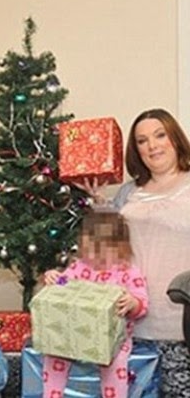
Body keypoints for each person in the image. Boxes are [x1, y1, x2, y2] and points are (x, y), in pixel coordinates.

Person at [75, 108, 190, 396]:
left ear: (175, 139)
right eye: (142, 140)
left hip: (182, 327)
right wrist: (99, 203)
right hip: (131, 325)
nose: (152, 146)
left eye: (160, 135)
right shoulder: (129, 192)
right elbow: (110, 244)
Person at [41, 210, 148, 398]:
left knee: (115, 362)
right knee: (53, 355)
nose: (92, 256)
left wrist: (132, 303)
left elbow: (142, 305)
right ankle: (51, 395)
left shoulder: (128, 272)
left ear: (119, 247)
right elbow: (63, 285)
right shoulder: (79, 267)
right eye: (87, 249)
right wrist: (53, 277)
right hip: (74, 332)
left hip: (114, 338)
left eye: (99, 251)